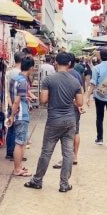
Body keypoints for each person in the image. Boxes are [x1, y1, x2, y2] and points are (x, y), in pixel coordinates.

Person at [25, 52, 84, 192]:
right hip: (70, 120)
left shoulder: (49, 80)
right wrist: (70, 101)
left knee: (46, 152)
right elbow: (80, 102)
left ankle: (37, 180)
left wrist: (54, 97)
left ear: (56, 63)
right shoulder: (75, 81)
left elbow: (43, 101)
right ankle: (64, 184)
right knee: (68, 153)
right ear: (69, 64)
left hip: (53, 121)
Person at [53, 53, 85, 169]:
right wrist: (80, 105)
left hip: (66, 109)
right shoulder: (77, 74)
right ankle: (75, 156)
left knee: (66, 136)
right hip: (76, 107)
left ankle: (67, 158)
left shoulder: (64, 75)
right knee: (76, 132)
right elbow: (81, 92)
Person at [9, 55, 34, 176]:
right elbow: (17, 101)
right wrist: (12, 115)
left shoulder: (14, 78)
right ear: (31, 68)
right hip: (21, 114)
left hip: (17, 113)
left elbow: (13, 97)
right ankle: (17, 169)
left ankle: (19, 166)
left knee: (21, 142)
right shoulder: (23, 82)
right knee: (20, 143)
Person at [5, 52, 24, 161]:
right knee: (18, 129)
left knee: (11, 128)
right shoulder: (20, 74)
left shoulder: (9, 72)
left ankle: (9, 151)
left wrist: (9, 103)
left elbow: (7, 90)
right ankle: (14, 153)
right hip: (18, 104)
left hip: (10, 102)